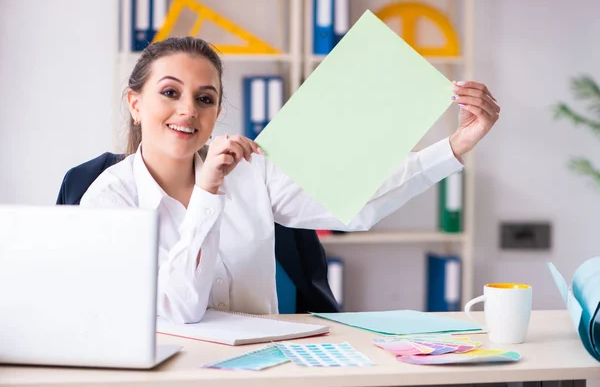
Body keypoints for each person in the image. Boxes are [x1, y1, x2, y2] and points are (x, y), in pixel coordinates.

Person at [80, 36, 501, 324]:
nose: (188, 109)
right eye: (170, 93)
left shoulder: (249, 172)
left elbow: (354, 203)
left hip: (266, 368)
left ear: (216, 112)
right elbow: (179, 308)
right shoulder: (108, 198)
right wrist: (207, 192)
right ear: (135, 103)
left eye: (204, 98)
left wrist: (454, 146)